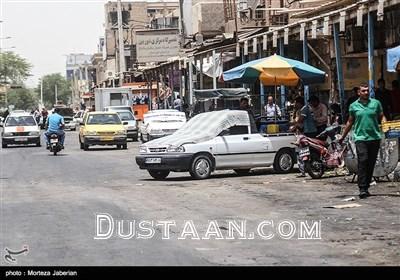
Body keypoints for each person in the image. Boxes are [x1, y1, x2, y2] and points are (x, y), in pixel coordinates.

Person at [339, 83, 386, 199]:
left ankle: (367, 186)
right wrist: (342, 136)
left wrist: (386, 126)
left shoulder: (376, 103)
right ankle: (362, 188)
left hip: (374, 137)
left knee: (371, 163)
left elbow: (381, 116)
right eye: (363, 91)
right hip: (360, 138)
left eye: (367, 91)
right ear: (358, 92)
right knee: (363, 160)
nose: (366, 93)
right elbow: (350, 121)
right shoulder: (353, 106)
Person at [290, 96, 318, 177]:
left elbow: (300, 121)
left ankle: (310, 167)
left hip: (310, 131)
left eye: (296, 103)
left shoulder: (305, 109)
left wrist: (293, 127)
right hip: (307, 131)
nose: (294, 104)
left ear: (299, 103)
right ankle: (306, 168)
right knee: (305, 150)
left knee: (307, 150)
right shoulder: (301, 110)